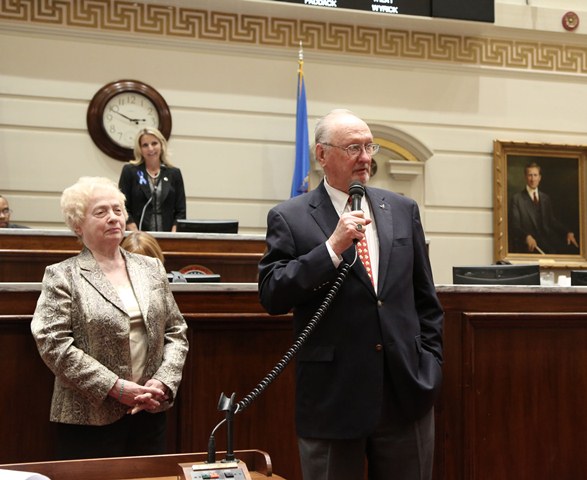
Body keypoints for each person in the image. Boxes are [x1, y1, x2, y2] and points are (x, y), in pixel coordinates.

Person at [258, 109, 444, 480]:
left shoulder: (402, 209)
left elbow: (426, 299)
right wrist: (331, 248)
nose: (365, 157)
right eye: (353, 148)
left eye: (369, 146)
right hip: (333, 397)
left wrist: (430, 363)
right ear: (322, 155)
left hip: (406, 392)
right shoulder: (290, 216)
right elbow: (273, 294)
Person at [30, 176, 189, 460]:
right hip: (89, 419)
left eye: (117, 210)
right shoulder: (62, 275)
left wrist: (163, 382)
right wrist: (115, 387)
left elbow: (176, 330)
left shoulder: (150, 268)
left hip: (149, 412)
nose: (113, 218)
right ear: (78, 225)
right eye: (101, 212)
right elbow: (53, 343)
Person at [118, 128, 186, 232]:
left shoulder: (173, 173)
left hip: (168, 235)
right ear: (139, 149)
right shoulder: (130, 171)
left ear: (161, 145)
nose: (150, 148)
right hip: (137, 235)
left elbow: (180, 211)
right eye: (145, 145)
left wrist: (173, 237)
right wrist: (135, 234)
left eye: (154, 143)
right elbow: (122, 206)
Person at [510, 162, 579, 254]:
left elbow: (552, 221)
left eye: (535, 175)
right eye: (530, 175)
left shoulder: (545, 198)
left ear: (540, 178)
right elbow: (515, 226)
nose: (533, 179)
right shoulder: (517, 199)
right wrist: (526, 237)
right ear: (525, 177)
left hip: (547, 242)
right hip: (529, 246)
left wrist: (567, 232)